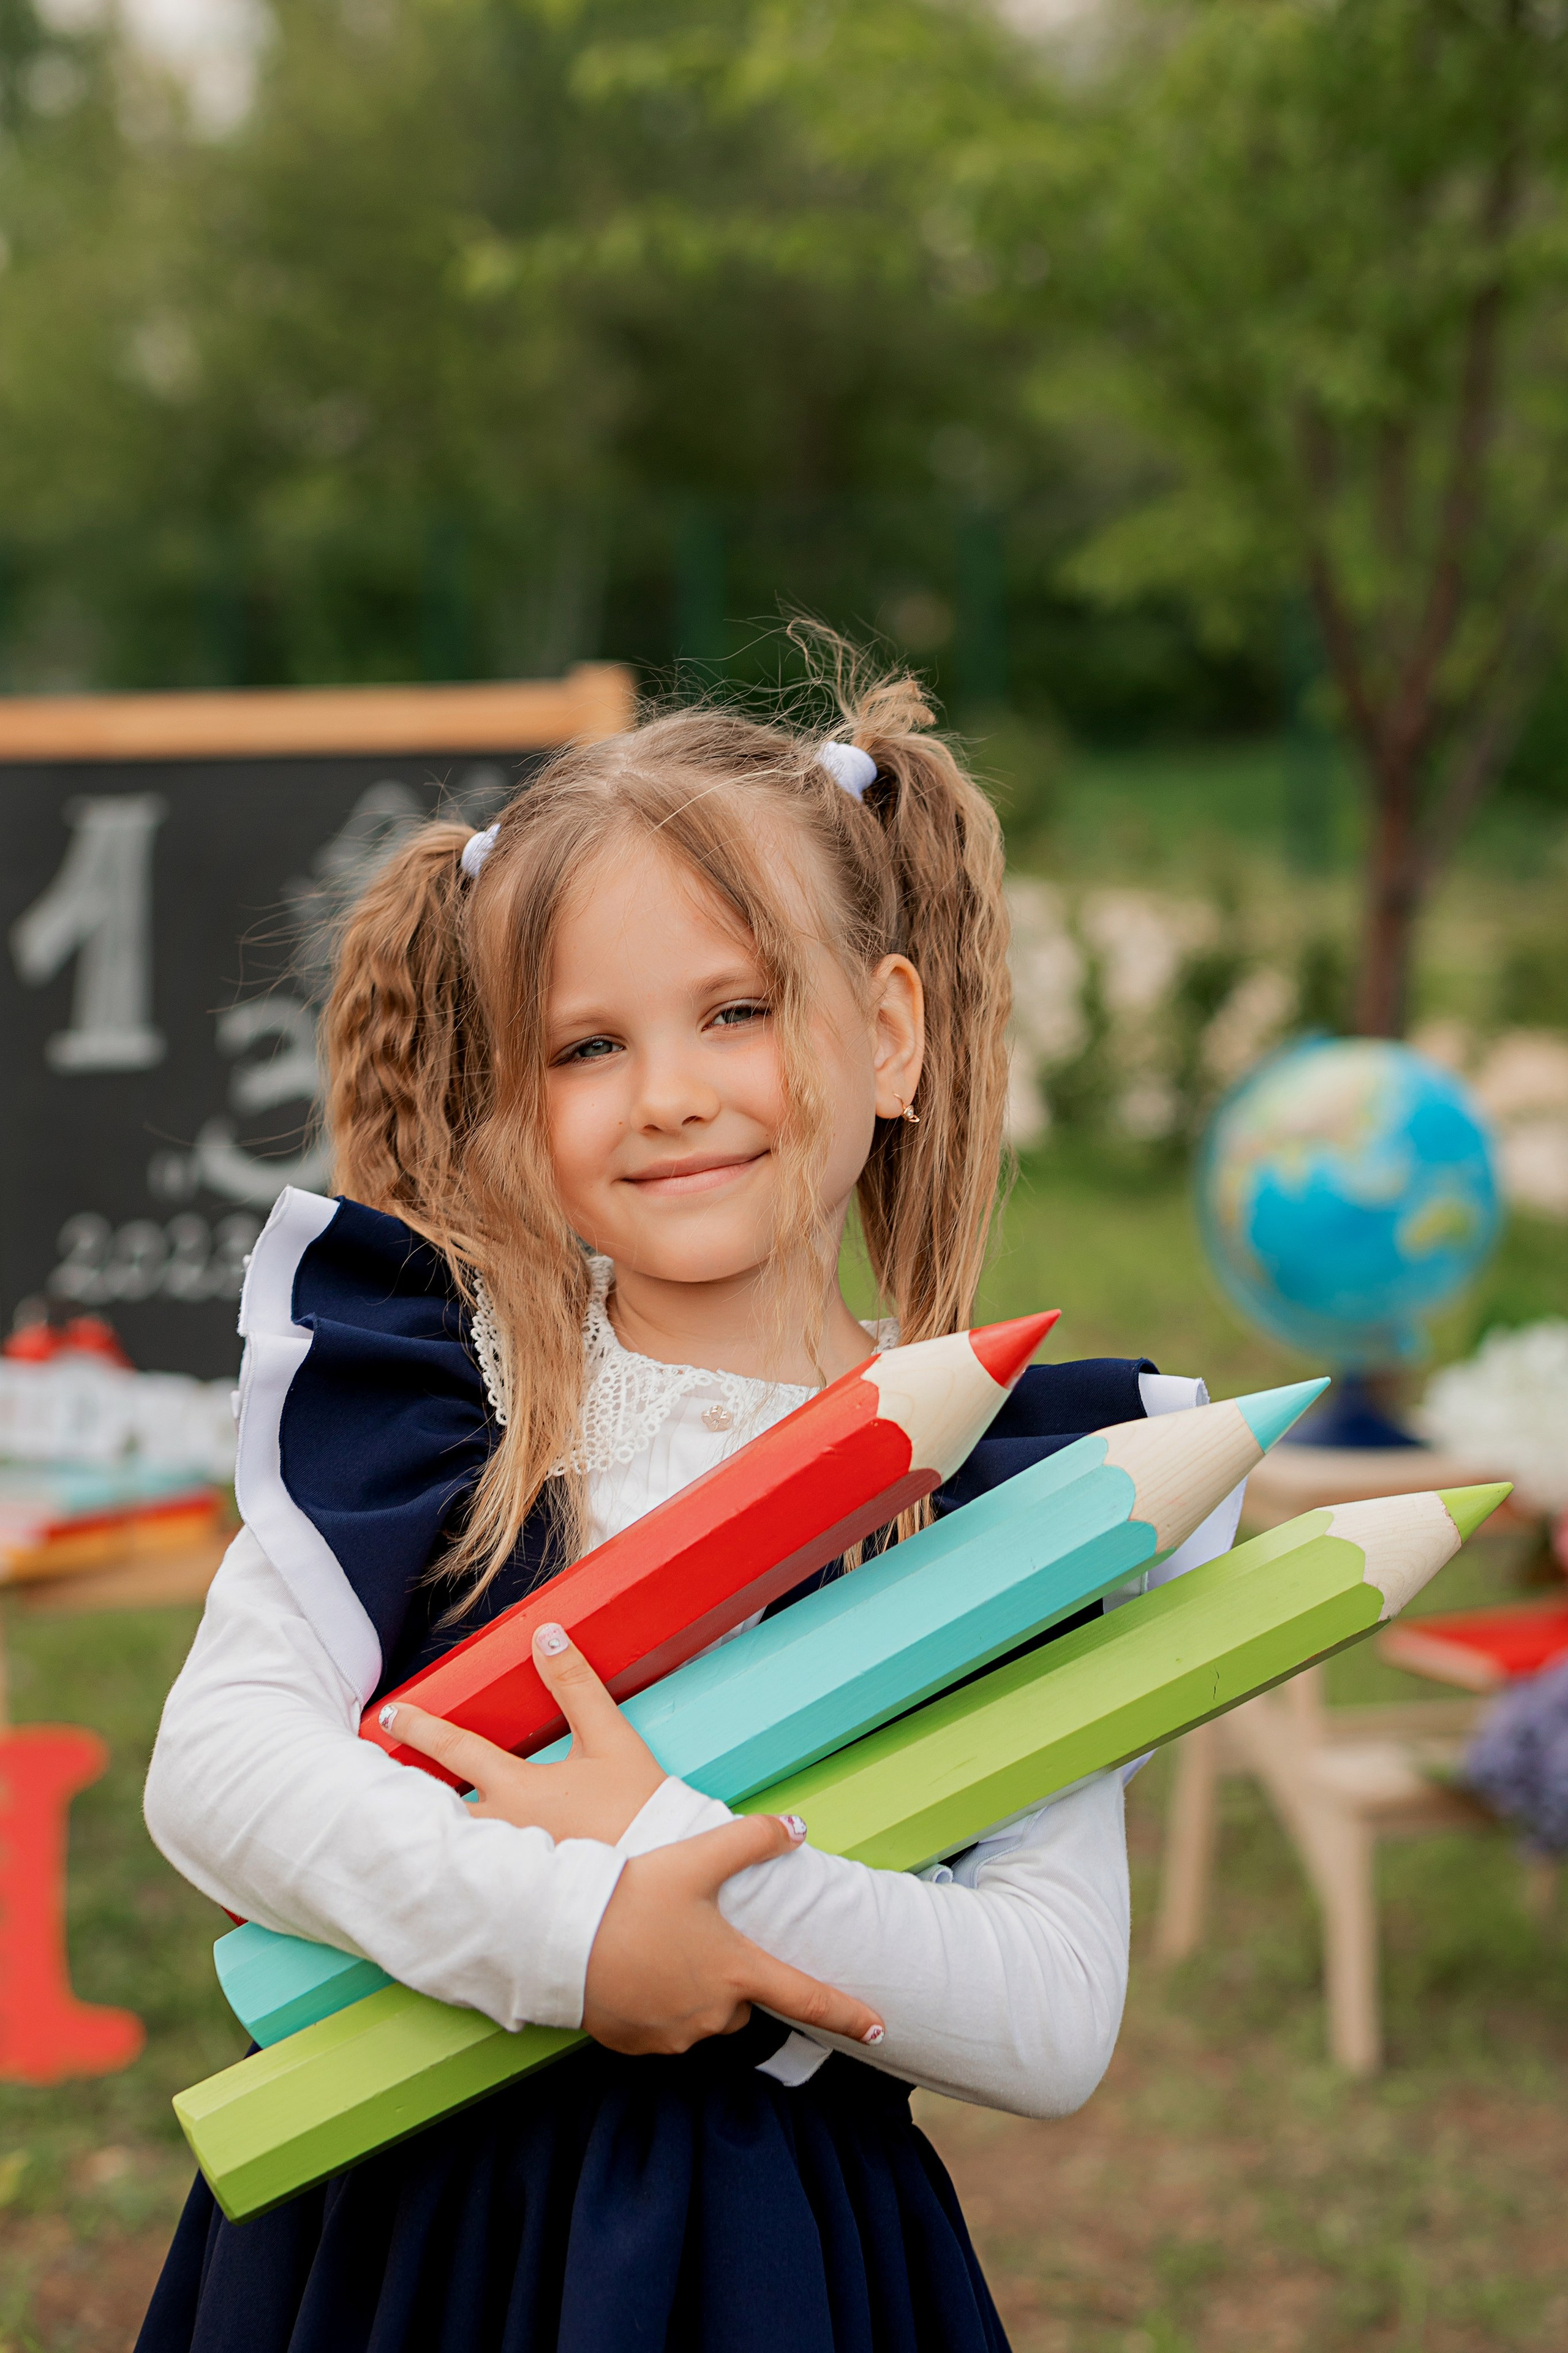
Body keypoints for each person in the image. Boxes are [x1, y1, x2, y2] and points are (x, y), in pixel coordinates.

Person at [137, 665, 1237, 2353]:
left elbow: (1048, 2012)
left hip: (757, 2259)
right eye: (589, 1044)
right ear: (513, 1095)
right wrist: (579, 1936)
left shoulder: (1016, 1499)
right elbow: (220, 1776)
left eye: (737, 1010)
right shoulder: (438, 1407)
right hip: (385, 2236)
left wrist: (678, 1873)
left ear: (887, 1033)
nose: (669, 1091)